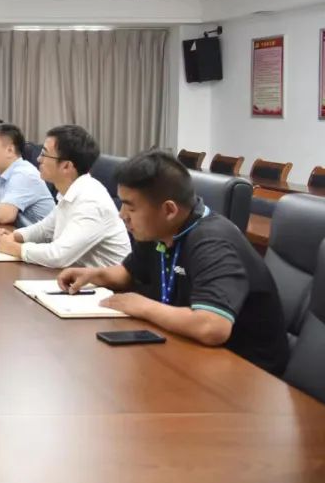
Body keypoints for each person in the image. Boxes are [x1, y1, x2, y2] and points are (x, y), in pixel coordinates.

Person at [58, 150, 288, 376]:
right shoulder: (158, 229)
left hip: (246, 372)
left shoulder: (212, 242)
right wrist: (94, 275)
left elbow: (212, 326)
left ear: (169, 210)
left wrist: (143, 306)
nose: (122, 215)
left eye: (130, 207)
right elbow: (129, 273)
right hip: (187, 349)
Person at [0, 125, 130, 268]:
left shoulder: (91, 201)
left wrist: (13, 248)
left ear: (66, 166)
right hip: (76, 274)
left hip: (103, 281)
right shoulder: (70, 191)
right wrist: (14, 236)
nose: (38, 159)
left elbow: (58, 255)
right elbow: (45, 229)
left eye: (44, 154)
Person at [0, 123, 55, 227]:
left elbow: (4, 216)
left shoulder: (23, 174)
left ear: (9, 150)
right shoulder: (3, 173)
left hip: (41, 237)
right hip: (18, 233)